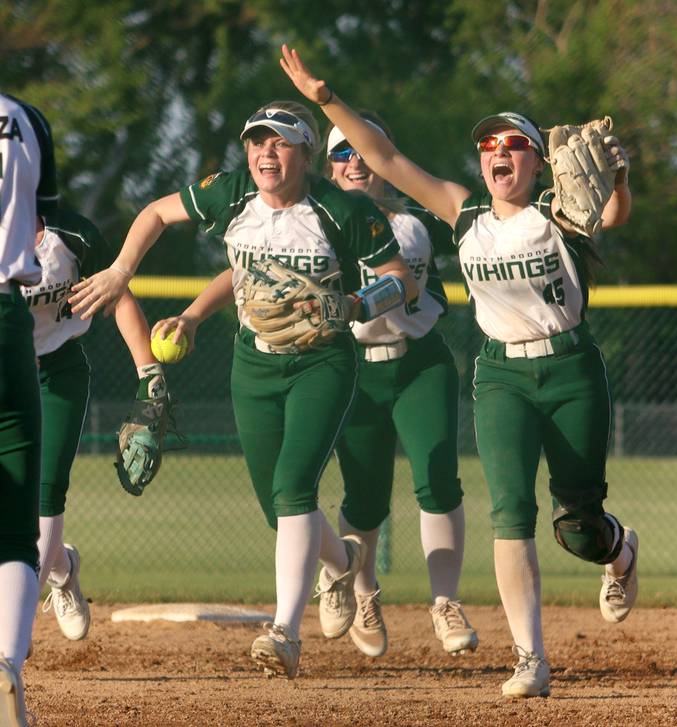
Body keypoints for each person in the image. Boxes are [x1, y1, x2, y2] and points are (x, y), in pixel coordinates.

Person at [280, 45, 638, 698]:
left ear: (538, 159)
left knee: (577, 527)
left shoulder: (559, 213)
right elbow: (385, 160)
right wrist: (325, 98)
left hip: (572, 371)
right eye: (488, 144)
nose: (498, 151)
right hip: (501, 377)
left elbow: (610, 216)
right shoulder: (464, 213)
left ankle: (618, 551)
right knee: (511, 512)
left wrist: (616, 182)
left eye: (514, 143)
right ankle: (530, 656)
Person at [68, 100, 418, 680]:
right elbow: (158, 215)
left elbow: (400, 282)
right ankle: (343, 561)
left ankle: (284, 632)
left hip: (320, 363)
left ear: (305, 154)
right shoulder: (231, 195)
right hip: (253, 366)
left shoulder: (340, 209)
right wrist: (150, 289)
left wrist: (357, 303)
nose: (265, 152)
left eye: (279, 142)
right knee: (277, 508)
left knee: (292, 487)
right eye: (256, 142)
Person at [320, 113, 476, 657]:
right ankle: (364, 594)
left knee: (438, 478)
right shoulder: (315, 224)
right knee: (364, 498)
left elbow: (483, 231)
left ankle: (445, 603)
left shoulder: (421, 220)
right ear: (327, 167)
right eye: (342, 153)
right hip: (355, 371)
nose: (355, 162)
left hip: (420, 363)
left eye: (364, 152)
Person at [21, 209, 167, 643]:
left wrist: (149, 373)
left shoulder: (71, 234)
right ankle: (61, 567)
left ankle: (16, 622)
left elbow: (119, 297)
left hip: (57, 372)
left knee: (47, 492)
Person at [0, 92, 59, 727]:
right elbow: (40, 215)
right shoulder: (22, 116)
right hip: (7, 319)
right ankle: (6, 666)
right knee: (15, 528)